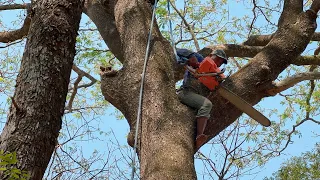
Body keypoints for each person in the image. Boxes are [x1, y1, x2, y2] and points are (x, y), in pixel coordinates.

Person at [176, 49, 228, 151]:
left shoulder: (214, 74)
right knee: (207, 105)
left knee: (206, 107)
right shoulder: (200, 59)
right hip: (186, 93)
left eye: (221, 63)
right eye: (218, 59)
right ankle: (199, 135)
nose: (218, 63)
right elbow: (176, 51)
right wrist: (190, 57)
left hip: (195, 99)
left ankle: (196, 135)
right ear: (211, 55)